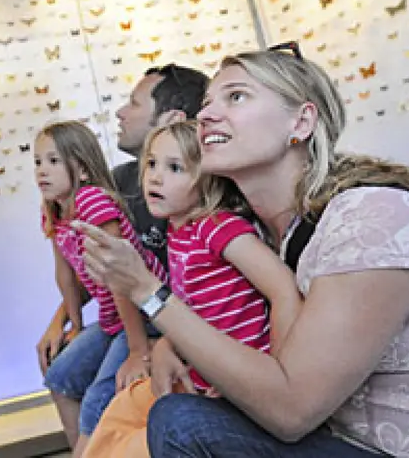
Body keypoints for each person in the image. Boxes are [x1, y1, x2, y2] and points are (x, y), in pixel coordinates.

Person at [74, 42, 409, 456]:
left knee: (180, 423)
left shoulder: (370, 216)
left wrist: (148, 293)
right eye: (208, 101)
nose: (208, 113)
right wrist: (174, 339)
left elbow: (292, 409)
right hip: (342, 438)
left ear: (302, 122)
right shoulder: (272, 233)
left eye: (235, 97)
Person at [82, 120, 302, 458]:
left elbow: (283, 288)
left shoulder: (216, 226)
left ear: (206, 180)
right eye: (151, 163)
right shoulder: (178, 231)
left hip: (235, 383)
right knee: (116, 412)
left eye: (174, 168)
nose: (154, 177)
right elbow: (191, 305)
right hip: (201, 372)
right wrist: (165, 347)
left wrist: (276, 370)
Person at [36, 64, 210, 370]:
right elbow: (93, 268)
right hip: (127, 313)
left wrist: (146, 347)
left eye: (134, 103)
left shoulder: (204, 193)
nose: (120, 112)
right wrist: (61, 321)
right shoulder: (118, 181)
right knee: (62, 368)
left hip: (164, 314)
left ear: (172, 120)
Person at [34, 120, 167, 457]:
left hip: (141, 311)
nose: (42, 171)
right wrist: (74, 325)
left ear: (79, 166)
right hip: (114, 320)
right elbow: (65, 274)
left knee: (97, 398)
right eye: (37, 162)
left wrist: (138, 349)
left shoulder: (92, 202)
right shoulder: (54, 209)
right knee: (60, 376)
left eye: (53, 161)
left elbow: (120, 277)